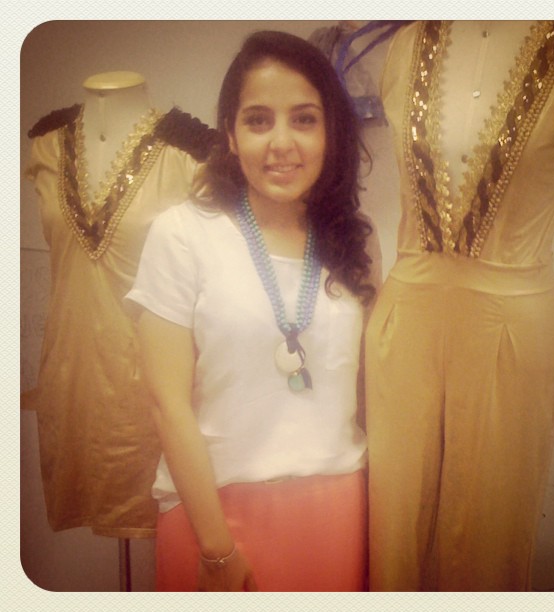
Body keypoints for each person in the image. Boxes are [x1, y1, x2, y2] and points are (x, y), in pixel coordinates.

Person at [126, 30, 377, 591]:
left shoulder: (353, 243)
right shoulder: (183, 234)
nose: (281, 142)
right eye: (258, 120)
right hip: (215, 518)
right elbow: (167, 405)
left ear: (331, 133)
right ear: (231, 136)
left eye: (304, 119)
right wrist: (217, 549)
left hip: (336, 509)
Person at [365, 20, 554, 591]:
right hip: (406, 323)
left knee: (490, 535)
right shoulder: (404, 47)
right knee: (394, 526)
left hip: (512, 331)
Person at [24, 71, 215, 538]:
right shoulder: (47, 145)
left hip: (149, 387)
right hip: (68, 377)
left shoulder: (189, 154)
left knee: (160, 515)